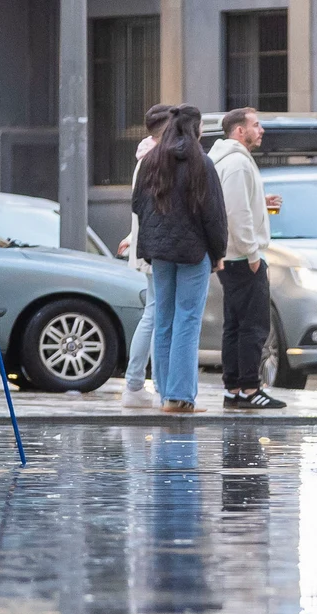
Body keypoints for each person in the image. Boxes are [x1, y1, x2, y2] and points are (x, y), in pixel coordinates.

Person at [131, 105, 227, 415]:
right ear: (196, 130)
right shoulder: (202, 163)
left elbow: (137, 205)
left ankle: (163, 395)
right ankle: (181, 396)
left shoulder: (151, 163)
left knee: (164, 320)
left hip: (159, 252)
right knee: (188, 320)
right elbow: (214, 215)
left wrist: (149, 243)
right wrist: (218, 253)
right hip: (193, 251)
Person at [208, 108, 287, 410]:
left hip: (230, 255)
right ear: (239, 131)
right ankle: (251, 389)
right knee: (253, 326)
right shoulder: (239, 163)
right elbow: (236, 213)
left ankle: (235, 389)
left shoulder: (224, 159)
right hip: (242, 256)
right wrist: (253, 254)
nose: (261, 130)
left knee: (235, 324)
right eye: (256, 125)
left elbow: (235, 203)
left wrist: (260, 202)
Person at [119, 104, 174, 409]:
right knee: (155, 314)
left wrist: (132, 236)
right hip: (154, 247)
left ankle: (136, 383)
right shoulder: (155, 160)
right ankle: (138, 384)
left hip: (146, 244)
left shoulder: (145, 157)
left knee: (152, 313)